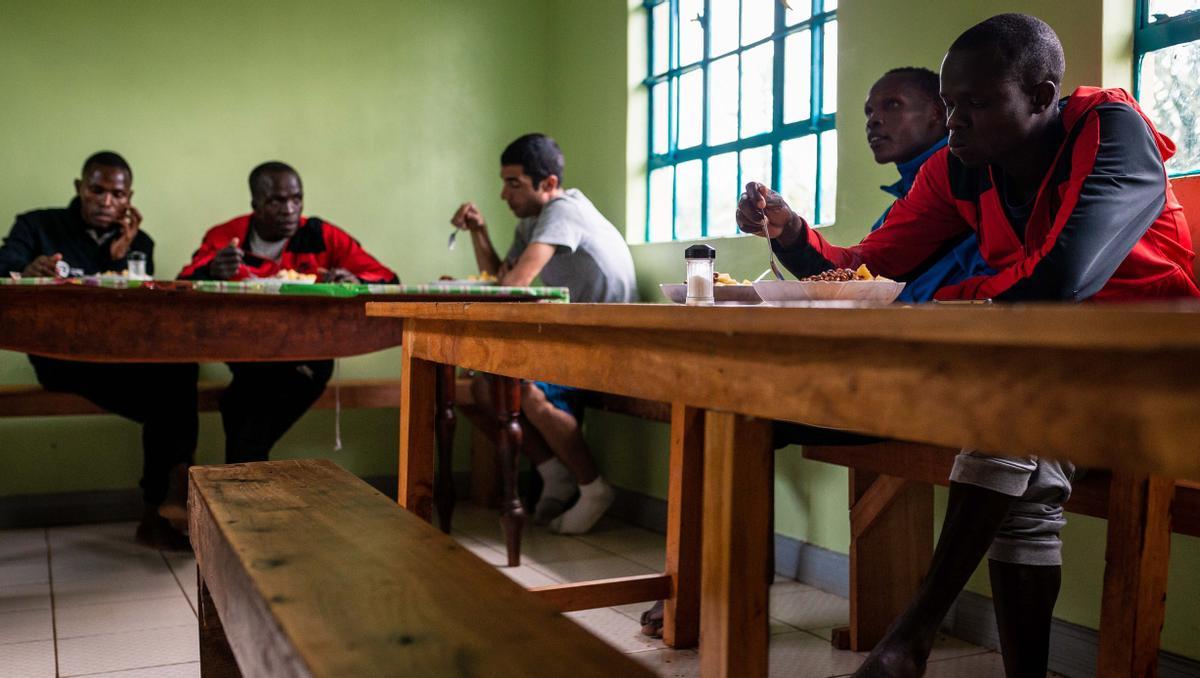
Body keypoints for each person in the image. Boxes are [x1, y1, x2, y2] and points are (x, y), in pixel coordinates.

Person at [737, 14, 1198, 677]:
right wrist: (789, 233)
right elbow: (865, 271)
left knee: (1006, 412)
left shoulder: (1109, 130)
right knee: (1015, 436)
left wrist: (963, 302)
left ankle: (912, 631)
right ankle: (920, 644)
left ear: (1042, 97)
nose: (955, 123)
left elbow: (1066, 280)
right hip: (1042, 371)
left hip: (1152, 372)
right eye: (951, 105)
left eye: (976, 104)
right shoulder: (962, 169)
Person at [0, 151, 197, 550]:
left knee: (177, 374)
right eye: (97, 190)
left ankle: (165, 498)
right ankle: (166, 496)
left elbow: (137, 310)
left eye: (117, 194)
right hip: (58, 357)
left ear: (129, 199)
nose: (107, 201)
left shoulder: (138, 241)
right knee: (172, 401)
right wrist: (26, 272)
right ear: (80, 188)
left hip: (118, 357)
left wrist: (119, 256)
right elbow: (5, 266)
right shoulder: (38, 225)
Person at [450, 133, 637, 534]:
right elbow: (499, 276)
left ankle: (593, 487)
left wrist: (493, 291)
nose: (503, 194)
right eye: (504, 182)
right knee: (480, 386)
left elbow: (515, 286)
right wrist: (479, 232)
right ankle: (554, 473)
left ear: (548, 184)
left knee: (523, 387)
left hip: (609, 343)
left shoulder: (564, 211)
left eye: (513, 183)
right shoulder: (534, 221)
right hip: (572, 337)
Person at [178, 161, 398, 464]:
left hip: (307, 354)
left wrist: (355, 281)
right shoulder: (227, 237)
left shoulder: (320, 234)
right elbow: (181, 286)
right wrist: (212, 269)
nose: (289, 209)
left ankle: (242, 500)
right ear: (255, 203)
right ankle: (246, 502)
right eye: (276, 201)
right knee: (244, 415)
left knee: (244, 415)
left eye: (297, 199)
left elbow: (386, 277)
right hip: (246, 354)